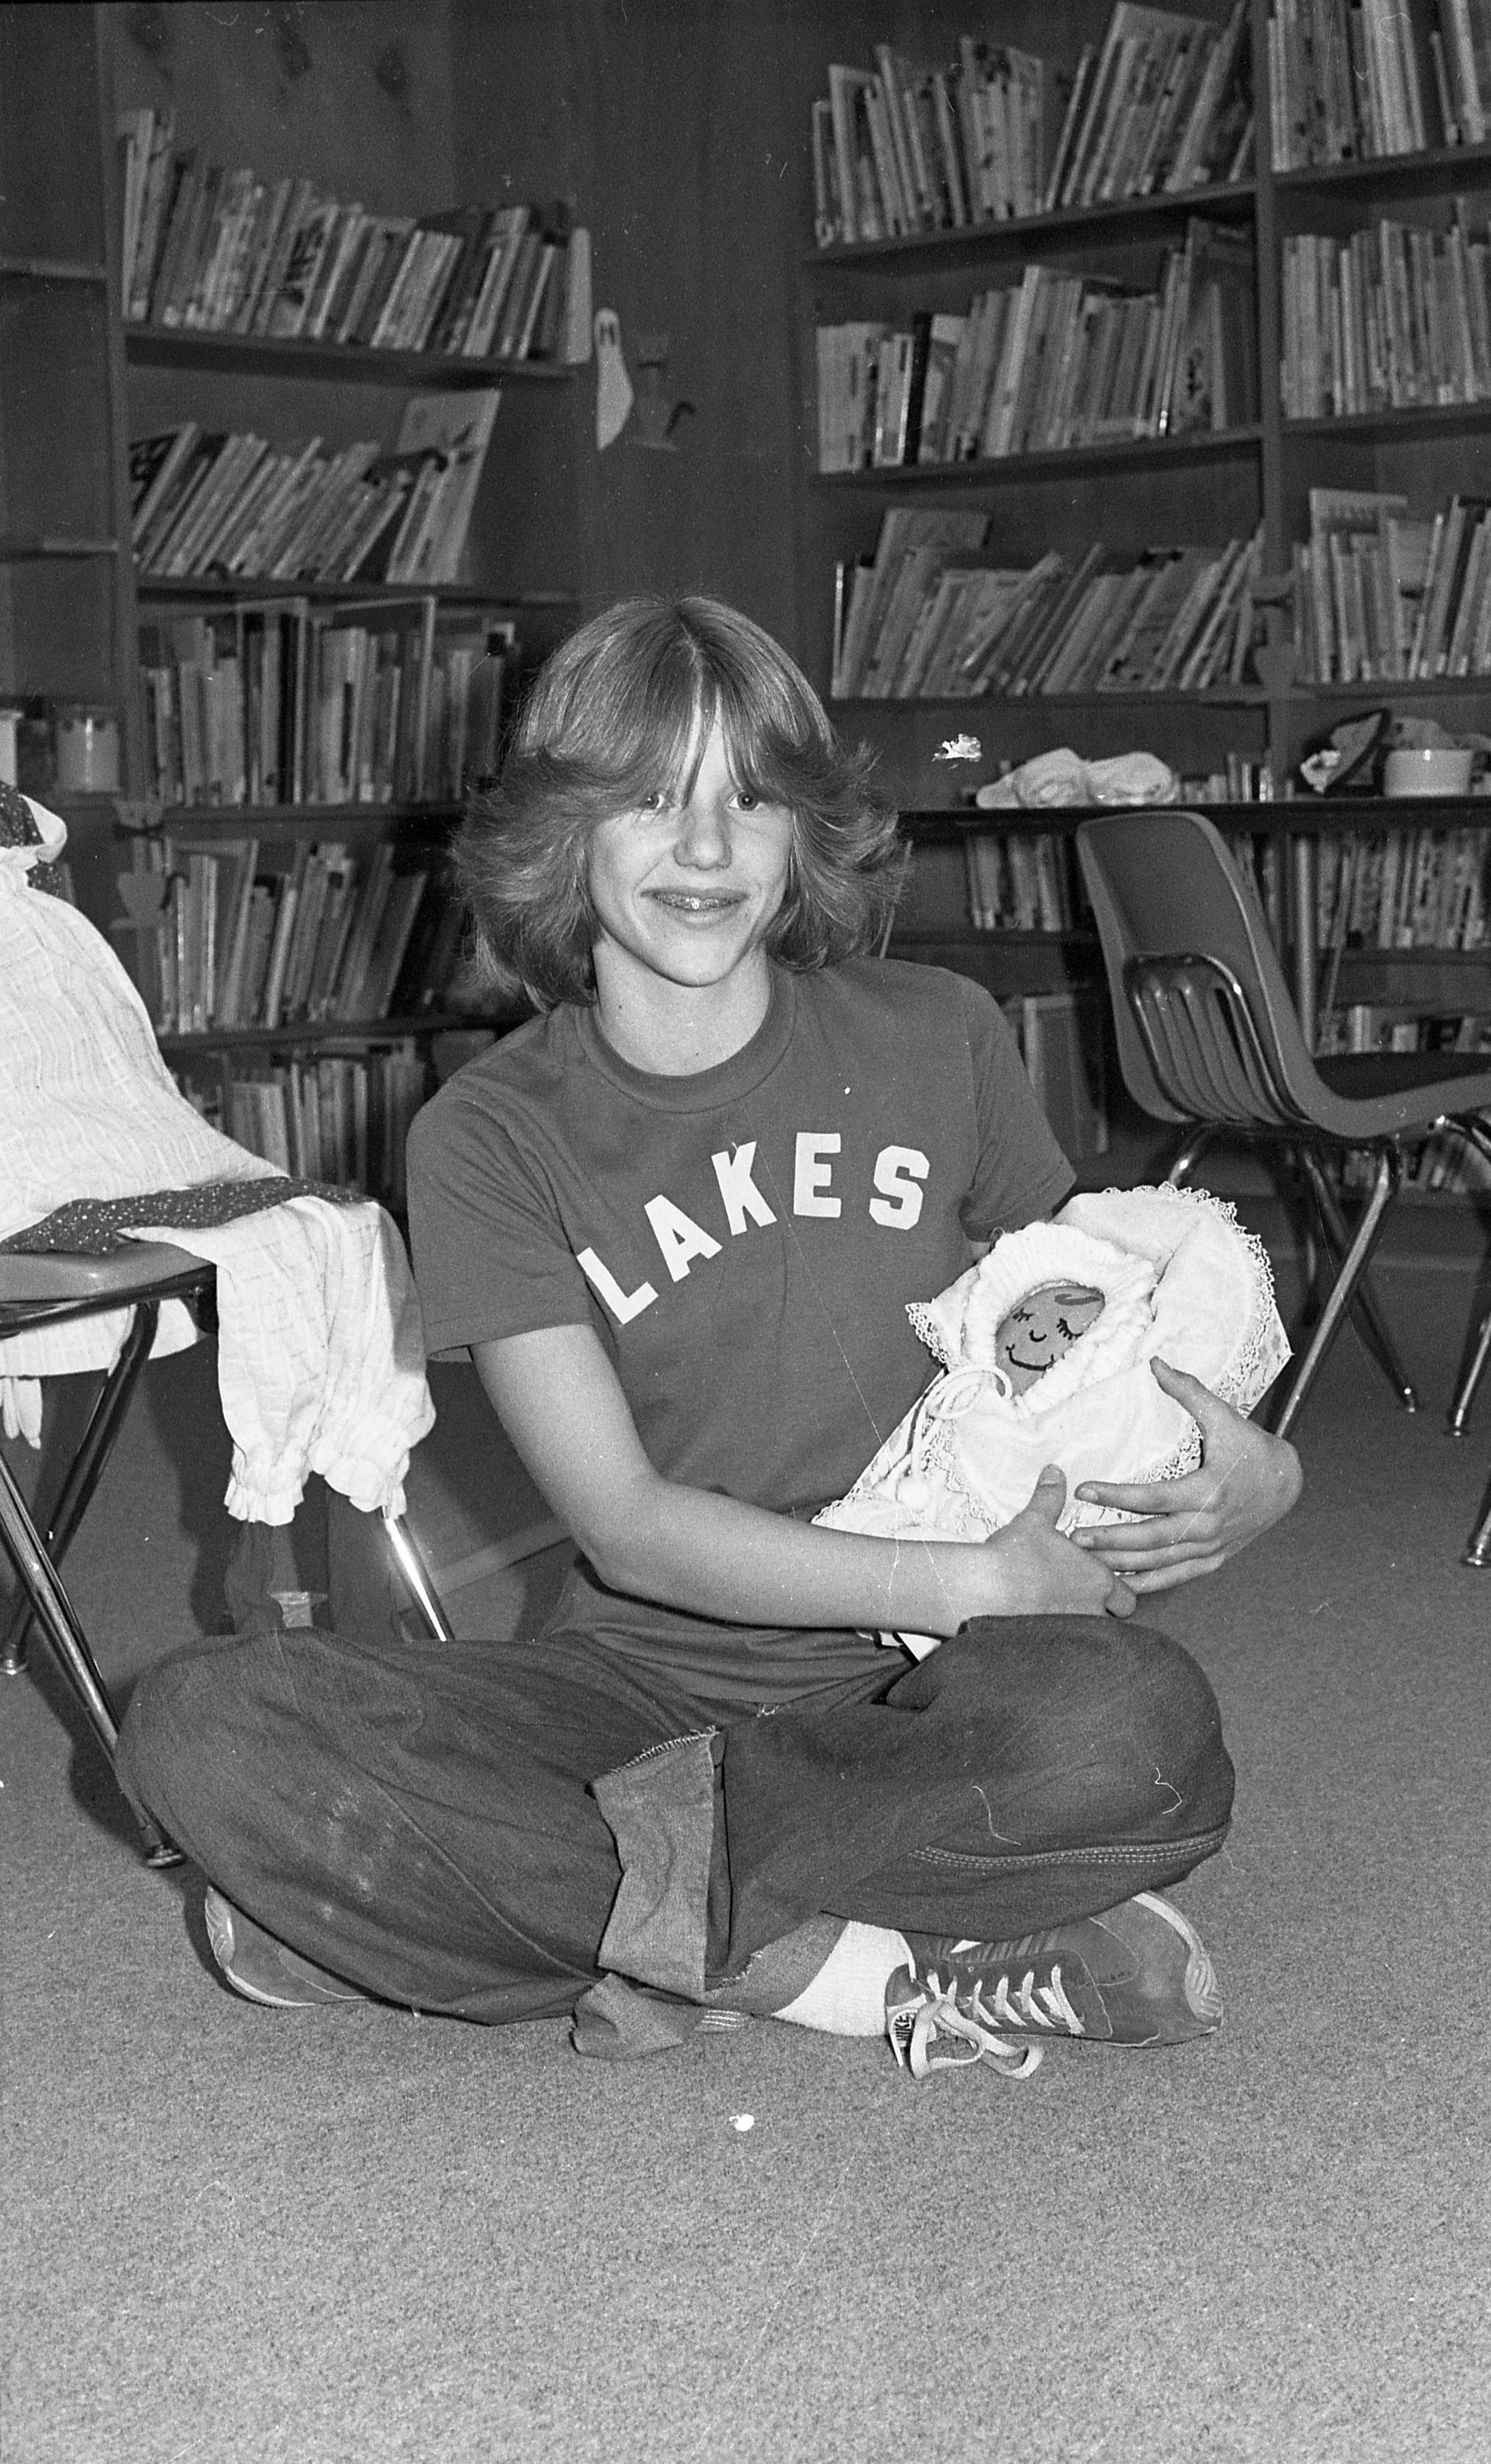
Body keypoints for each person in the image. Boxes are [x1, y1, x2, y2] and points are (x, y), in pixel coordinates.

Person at [118, 595, 1301, 2082]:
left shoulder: (940, 1031)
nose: (703, 848)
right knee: (200, 1724)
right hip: (637, 1690)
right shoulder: (487, 1134)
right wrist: (973, 1579)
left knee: (1137, 1732)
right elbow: (625, 1526)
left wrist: (1264, 1471)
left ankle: (498, 1910)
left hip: (921, 1682)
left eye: (749, 798)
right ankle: (849, 1968)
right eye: (647, 798)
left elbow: (1091, 1331)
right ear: (561, 832)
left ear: (805, 830)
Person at [815, 1185, 1293, 1663]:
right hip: (809, 1588)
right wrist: (975, 1582)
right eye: (1029, 1319)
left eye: (1062, 1333)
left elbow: (1030, 1238)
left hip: (944, 1584)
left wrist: (1281, 1475)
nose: (1038, 1332)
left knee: (1157, 1682)